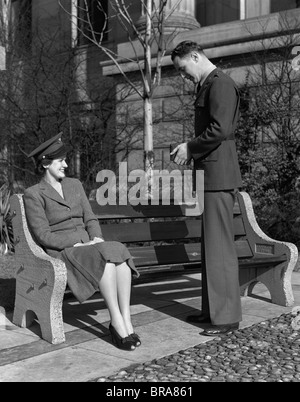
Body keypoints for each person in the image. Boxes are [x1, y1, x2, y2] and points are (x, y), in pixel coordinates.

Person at [24, 133, 140, 351]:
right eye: (61, 161)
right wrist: (79, 243)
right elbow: (43, 235)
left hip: (87, 246)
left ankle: (126, 319)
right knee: (103, 257)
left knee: (119, 251)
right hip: (64, 250)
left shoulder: (75, 185)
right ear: (46, 163)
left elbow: (90, 218)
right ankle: (115, 322)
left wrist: (96, 238)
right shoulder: (33, 194)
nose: (66, 164)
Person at [170, 41, 243, 336]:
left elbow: (220, 129)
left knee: (220, 249)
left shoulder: (220, 84)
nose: (183, 75)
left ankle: (226, 317)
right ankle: (212, 310)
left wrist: (190, 146)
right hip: (211, 175)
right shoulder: (209, 85)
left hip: (218, 176)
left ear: (196, 57)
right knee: (211, 247)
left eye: (183, 68)